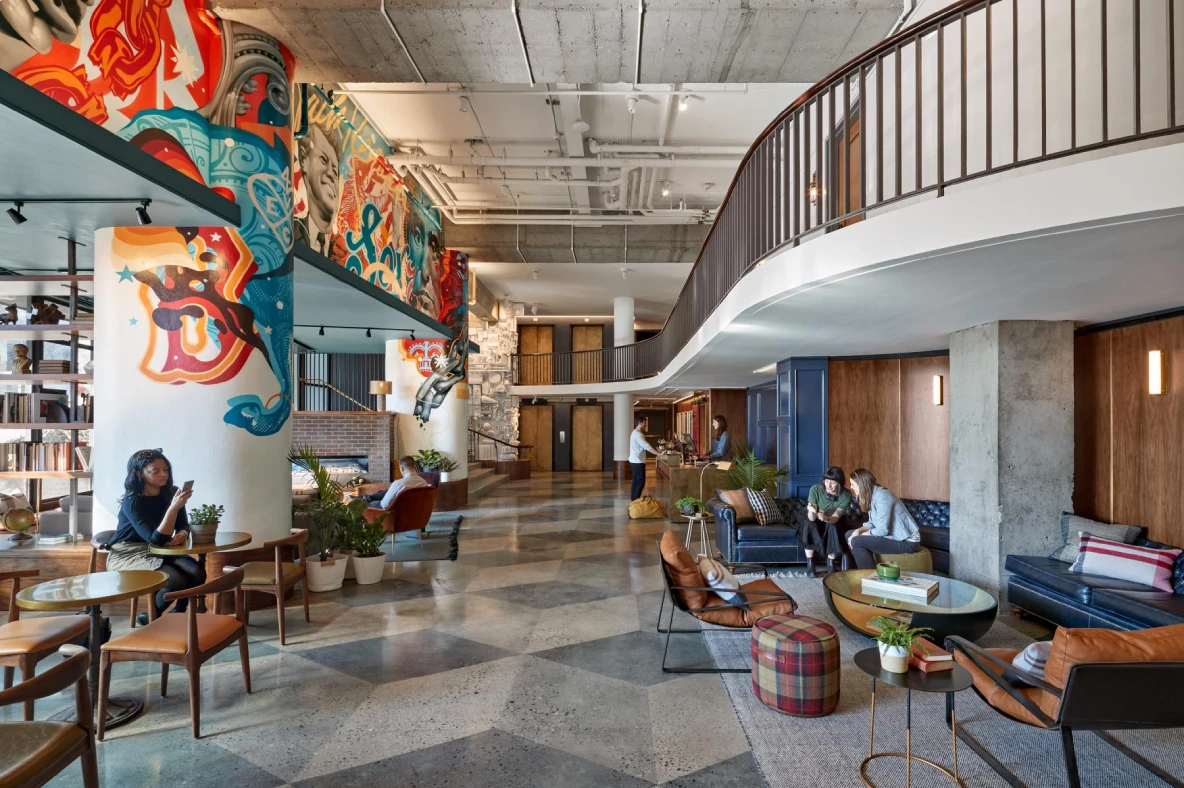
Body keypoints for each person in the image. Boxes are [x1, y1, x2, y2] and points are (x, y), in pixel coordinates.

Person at [107, 449, 203, 624]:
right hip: (129, 552)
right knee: (175, 579)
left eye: (165, 469)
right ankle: (153, 616)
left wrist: (182, 533)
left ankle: (177, 612)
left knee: (197, 572)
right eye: (156, 471)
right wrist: (173, 508)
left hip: (161, 548)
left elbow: (183, 524)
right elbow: (155, 538)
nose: (163, 474)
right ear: (139, 473)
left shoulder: (171, 492)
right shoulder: (132, 501)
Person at [845, 468, 921, 569]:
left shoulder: (882, 496)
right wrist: (858, 531)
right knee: (849, 534)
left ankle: (870, 575)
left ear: (861, 484)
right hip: (893, 537)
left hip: (907, 542)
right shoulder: (871, 495)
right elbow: (872, 523)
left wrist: (860, 535)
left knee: (856, 541)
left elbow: (882, 530)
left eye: (853, 484)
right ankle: (858, 570)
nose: (851, 487)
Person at [800, 465, 854, 576]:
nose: (828, 485)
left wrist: (826, 518)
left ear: (840, 483)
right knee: (808, 523)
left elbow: (836, 516)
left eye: (832, 482)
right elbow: (811, 518)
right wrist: (812, 510)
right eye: (826, 481)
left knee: (833, 526)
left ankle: (831, 564)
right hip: (814, 519)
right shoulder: (816, 489)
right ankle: (810, 565)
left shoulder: (846, 494)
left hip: (832, 519)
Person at [628, 415, 660, 501]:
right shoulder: (638, 434)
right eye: (644, 423)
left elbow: (643, 446)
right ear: (640, 423)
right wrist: (658, 454)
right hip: (637, 462)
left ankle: (634, 501)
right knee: (641, 482)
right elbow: (647, 446)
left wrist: (656, 451)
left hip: (634, 461)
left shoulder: (635, 432)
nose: (646, 425)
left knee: (636, 482)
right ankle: (635, 501)